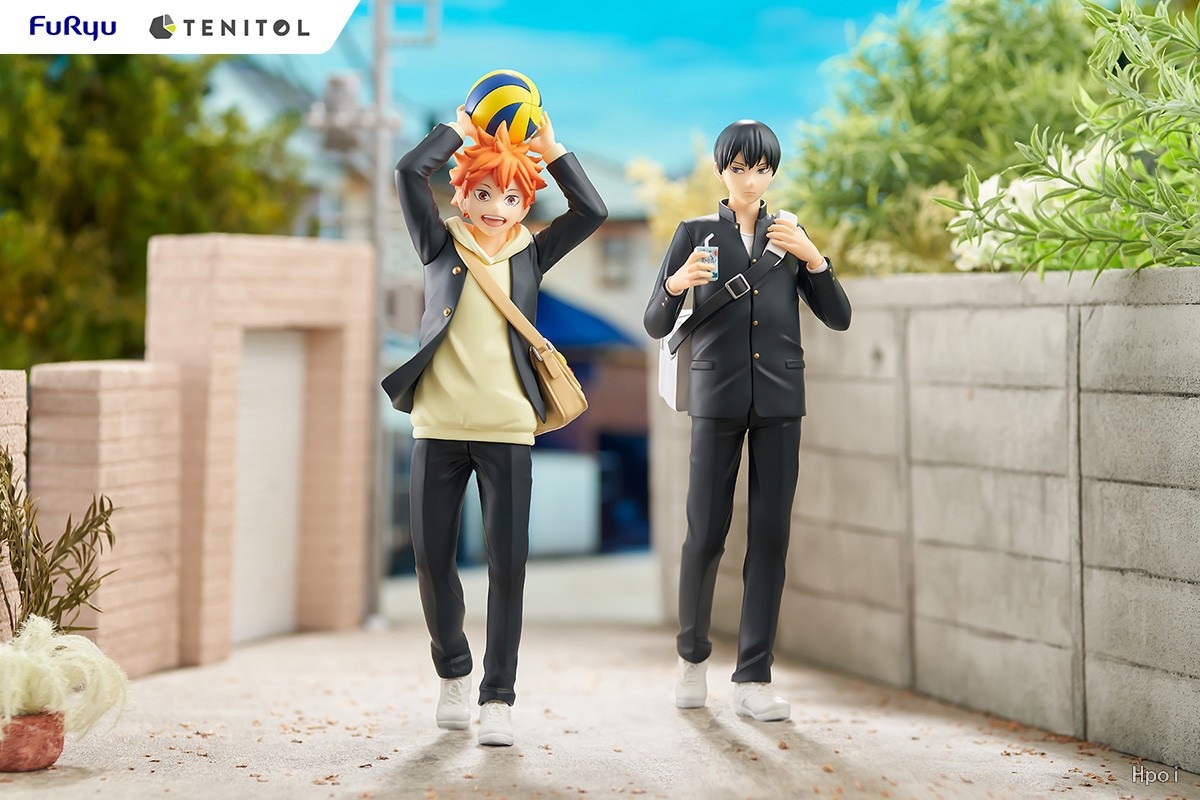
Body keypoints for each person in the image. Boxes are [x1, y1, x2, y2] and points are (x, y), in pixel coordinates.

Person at [382, 105, 607, 746]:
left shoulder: (532, 253)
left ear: (524, 204)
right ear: (462, 193)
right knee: (432, 561)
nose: (495, 208)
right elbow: (408, 171)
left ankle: (498, 697)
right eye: (483, 193)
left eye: (510, 197)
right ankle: (453, 671)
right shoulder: (438, 243)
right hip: (438, 423)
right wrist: (459, 128)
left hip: (508, 426)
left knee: (508, 567)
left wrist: (553, 150)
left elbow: (592, 212)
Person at [643, 120, 851, 721]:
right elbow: (656, 323)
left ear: (773, 173)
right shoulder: (694, 234)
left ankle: (754, 678)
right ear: (720, 172)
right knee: (705, 531)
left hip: (781, 398)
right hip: (717, 396)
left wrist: (814, 259)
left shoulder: (790, 234)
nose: (750, 180)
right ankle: (691, 659)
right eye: (738, 168)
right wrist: (677, 282)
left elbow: (838, 316)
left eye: (761, 169)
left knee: (771, 536)